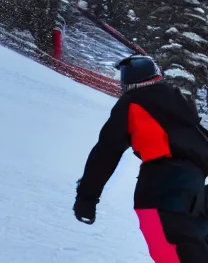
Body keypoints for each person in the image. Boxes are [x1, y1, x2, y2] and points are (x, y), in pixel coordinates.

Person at [73, 54, 208, 263]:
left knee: (170, 252)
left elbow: (107, 151)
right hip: (196, 191)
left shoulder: (133, 103)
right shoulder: (182, 109)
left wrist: (86, 197)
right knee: (191, 247)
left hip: (162, 188)